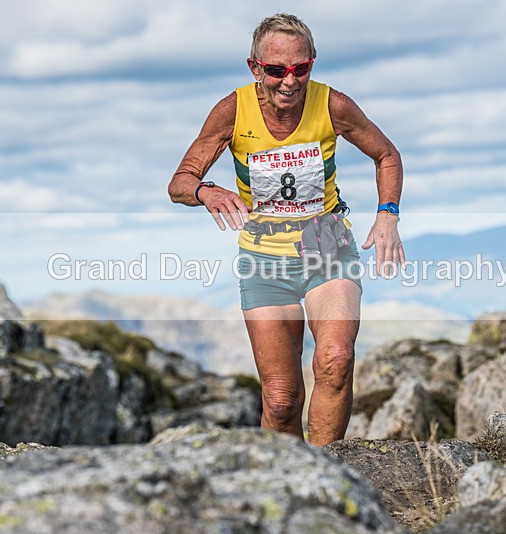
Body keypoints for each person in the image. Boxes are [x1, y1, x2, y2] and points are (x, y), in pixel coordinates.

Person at [168, 13, 404, 446]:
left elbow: (386, 154)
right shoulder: (231, 111)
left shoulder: (333, 105)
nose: (290, 82)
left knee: (335, 361)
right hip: (264, 260)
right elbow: (179, 183)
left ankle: (329, 475)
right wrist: (207, 191)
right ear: (255, 68)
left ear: (312, 64)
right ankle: (288, 485)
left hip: (328, 248)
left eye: (301, 69)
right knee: (280, 400)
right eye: (277, 71)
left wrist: (387, 214)